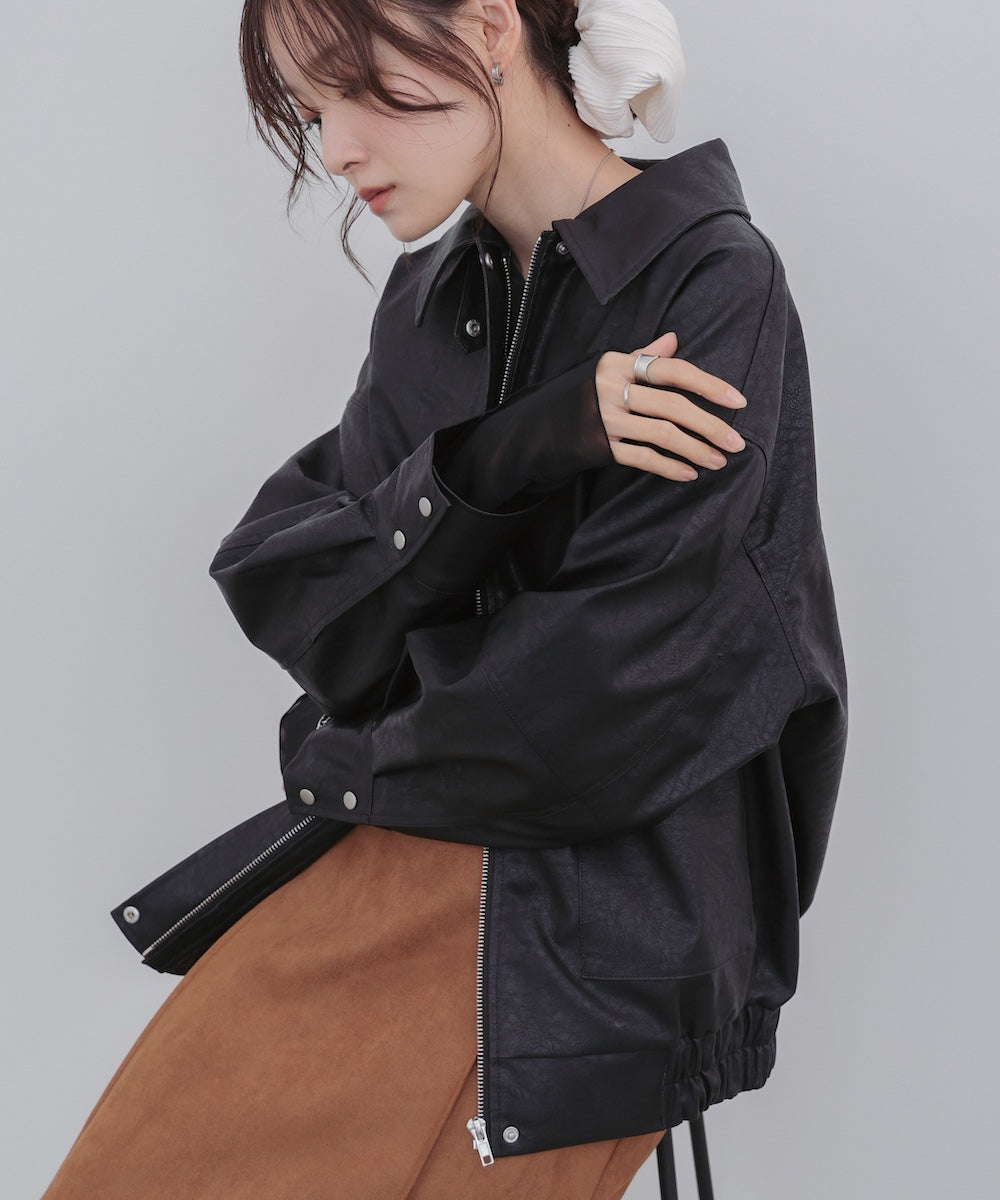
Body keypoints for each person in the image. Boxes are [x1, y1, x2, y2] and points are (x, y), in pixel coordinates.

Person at [41, 0, 848, 1197]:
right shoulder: (431, 300)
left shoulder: (708, 282)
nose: (337, 150)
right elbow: (294, 593)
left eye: (355, 89)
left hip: (583, 950)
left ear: (485, 28)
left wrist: (347, 756)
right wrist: (515, 448)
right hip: (390, 863)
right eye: (311, 113)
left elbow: (616, 692)